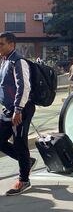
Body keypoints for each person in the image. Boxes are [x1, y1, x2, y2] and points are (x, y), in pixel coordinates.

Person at [0, 32, 37, 196]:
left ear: (12, 44)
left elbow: (24, 88)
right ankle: (27, 163)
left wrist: (18, 110)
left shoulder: (18, 61)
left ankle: (24, 179)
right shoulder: (5, 61)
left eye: (1, 44)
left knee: (20, 142)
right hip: (8, 108)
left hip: (20, 109)